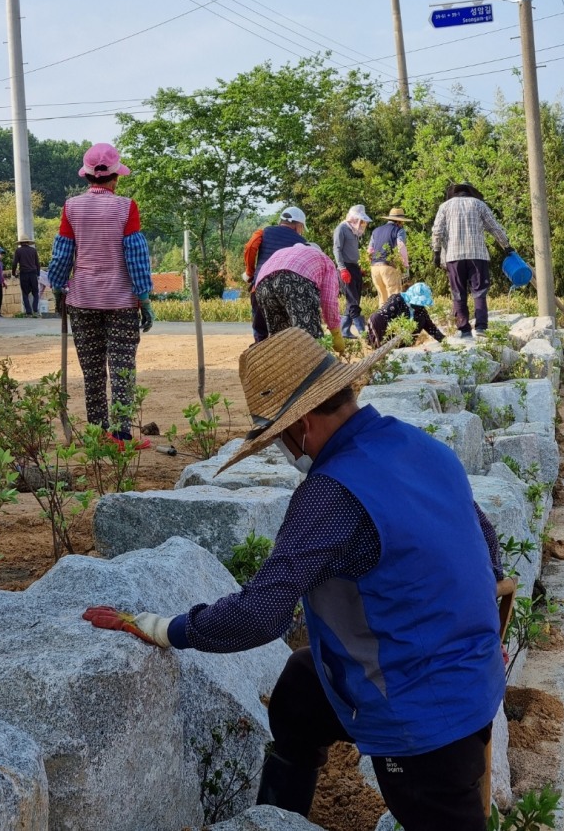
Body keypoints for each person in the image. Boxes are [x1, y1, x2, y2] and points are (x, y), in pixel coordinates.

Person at [83, 327, 505, 831]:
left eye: (278, 436)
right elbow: (487, 543)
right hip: (474, 675)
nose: (283, 449)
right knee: (302, 690)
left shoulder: (330, 495)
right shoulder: (419, 445)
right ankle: (279, 821)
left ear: (301, 424)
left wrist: (162, 628)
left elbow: (260, 615)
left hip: (423, 721)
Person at [47, 143, 154, 449]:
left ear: (87, 176)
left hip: (82, 300)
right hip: (121, 302)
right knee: (122, 369)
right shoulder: (126, 207)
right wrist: (144, 297)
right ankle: (121, 435)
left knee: (92, 371)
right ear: (115, 177)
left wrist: (57, 286)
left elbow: (62, 254)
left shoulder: (71, 207)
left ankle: (97, 432)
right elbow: (136, 256)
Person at [431, 183, 512, 339]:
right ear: (470, 192)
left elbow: (437, 231)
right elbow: (494, 227)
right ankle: (481, 327)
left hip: (453, 256)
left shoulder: (445, 206)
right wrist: (506, 246)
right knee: (479, 291)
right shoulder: (479, 204)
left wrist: (436, 252)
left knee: (458, 293)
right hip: (477, 255)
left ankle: (464, 329)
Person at [253, 241, 345, 353]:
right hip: (294, 280)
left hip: (262, 284)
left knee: (280, 339)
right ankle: (315, 364)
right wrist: (336, 333)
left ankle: (286, 363)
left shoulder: (284, 251)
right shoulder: (324, 260)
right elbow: (328, 302)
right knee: (308, 338)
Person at [243, 207, 308, 343]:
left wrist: (250, 272)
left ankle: (259, 349)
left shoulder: (264, 232)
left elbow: (250, 247)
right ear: (298, 225)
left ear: (281, 221)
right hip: (288, 292)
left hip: (260, 286)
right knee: (283, 332)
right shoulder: (302, 243)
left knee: (260, 330)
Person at [367, 282, 446, 349]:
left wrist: (444, 341)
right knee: (377, 318)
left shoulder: (421, 309)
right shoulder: (397, 300)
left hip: (403, 339)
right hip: (387, 334)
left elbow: (431, 327)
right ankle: (380, 349)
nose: (420, 305)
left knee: (422, 318)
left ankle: (402, 349)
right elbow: (380, 318)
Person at [333, 204, 371, 338]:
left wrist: (359, 268)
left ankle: (344, 331)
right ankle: (363, 332)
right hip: (345, 268)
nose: (362, 224)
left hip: (354, 267)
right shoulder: (341, 229)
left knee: (354, 300)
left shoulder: (354, 232)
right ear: (354, 218)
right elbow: (337, 249)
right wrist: (342, 268)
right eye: (360, 220)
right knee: (353, 300)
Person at [367, 207, 411, 307]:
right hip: (389, 267)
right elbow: (401, 247)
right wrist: (405, 265)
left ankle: (381, 317)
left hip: (374, 268)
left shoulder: (376, 231)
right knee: (394, 297)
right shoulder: (399, 230)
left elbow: (369, 250)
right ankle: (394, 317)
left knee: (382, 298)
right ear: (399, 221)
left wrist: (371, 263)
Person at [12, 236, 41, 317]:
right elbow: (37, 264)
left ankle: (28, 312)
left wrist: (13, 274)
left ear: (20, 243)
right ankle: (35, 310)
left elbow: (14, 263)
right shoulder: (33, 250)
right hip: (33, 274)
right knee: (35, 293)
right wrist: (38, 274)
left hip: (24, 273)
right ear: (28, 242)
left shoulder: (18, 251)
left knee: (25, 294)